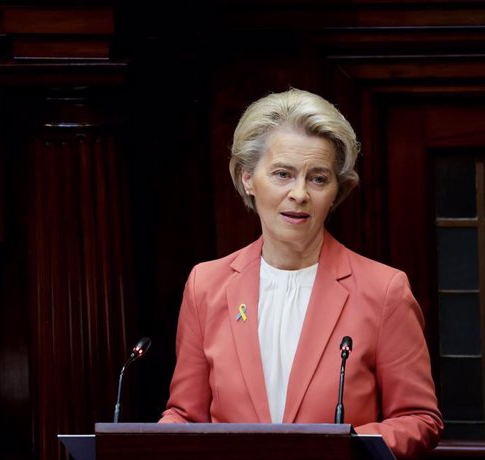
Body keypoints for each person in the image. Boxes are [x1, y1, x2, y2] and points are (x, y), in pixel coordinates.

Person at [158, 87, 444, 459]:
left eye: (318, 178)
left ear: (336, 190)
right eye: (282, 174)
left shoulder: (384, 289)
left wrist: (345, 450)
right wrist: (153, 441)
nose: (299, 194)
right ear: (248, 178)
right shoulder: (206, 285)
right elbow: (185, 414)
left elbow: (418, 418)